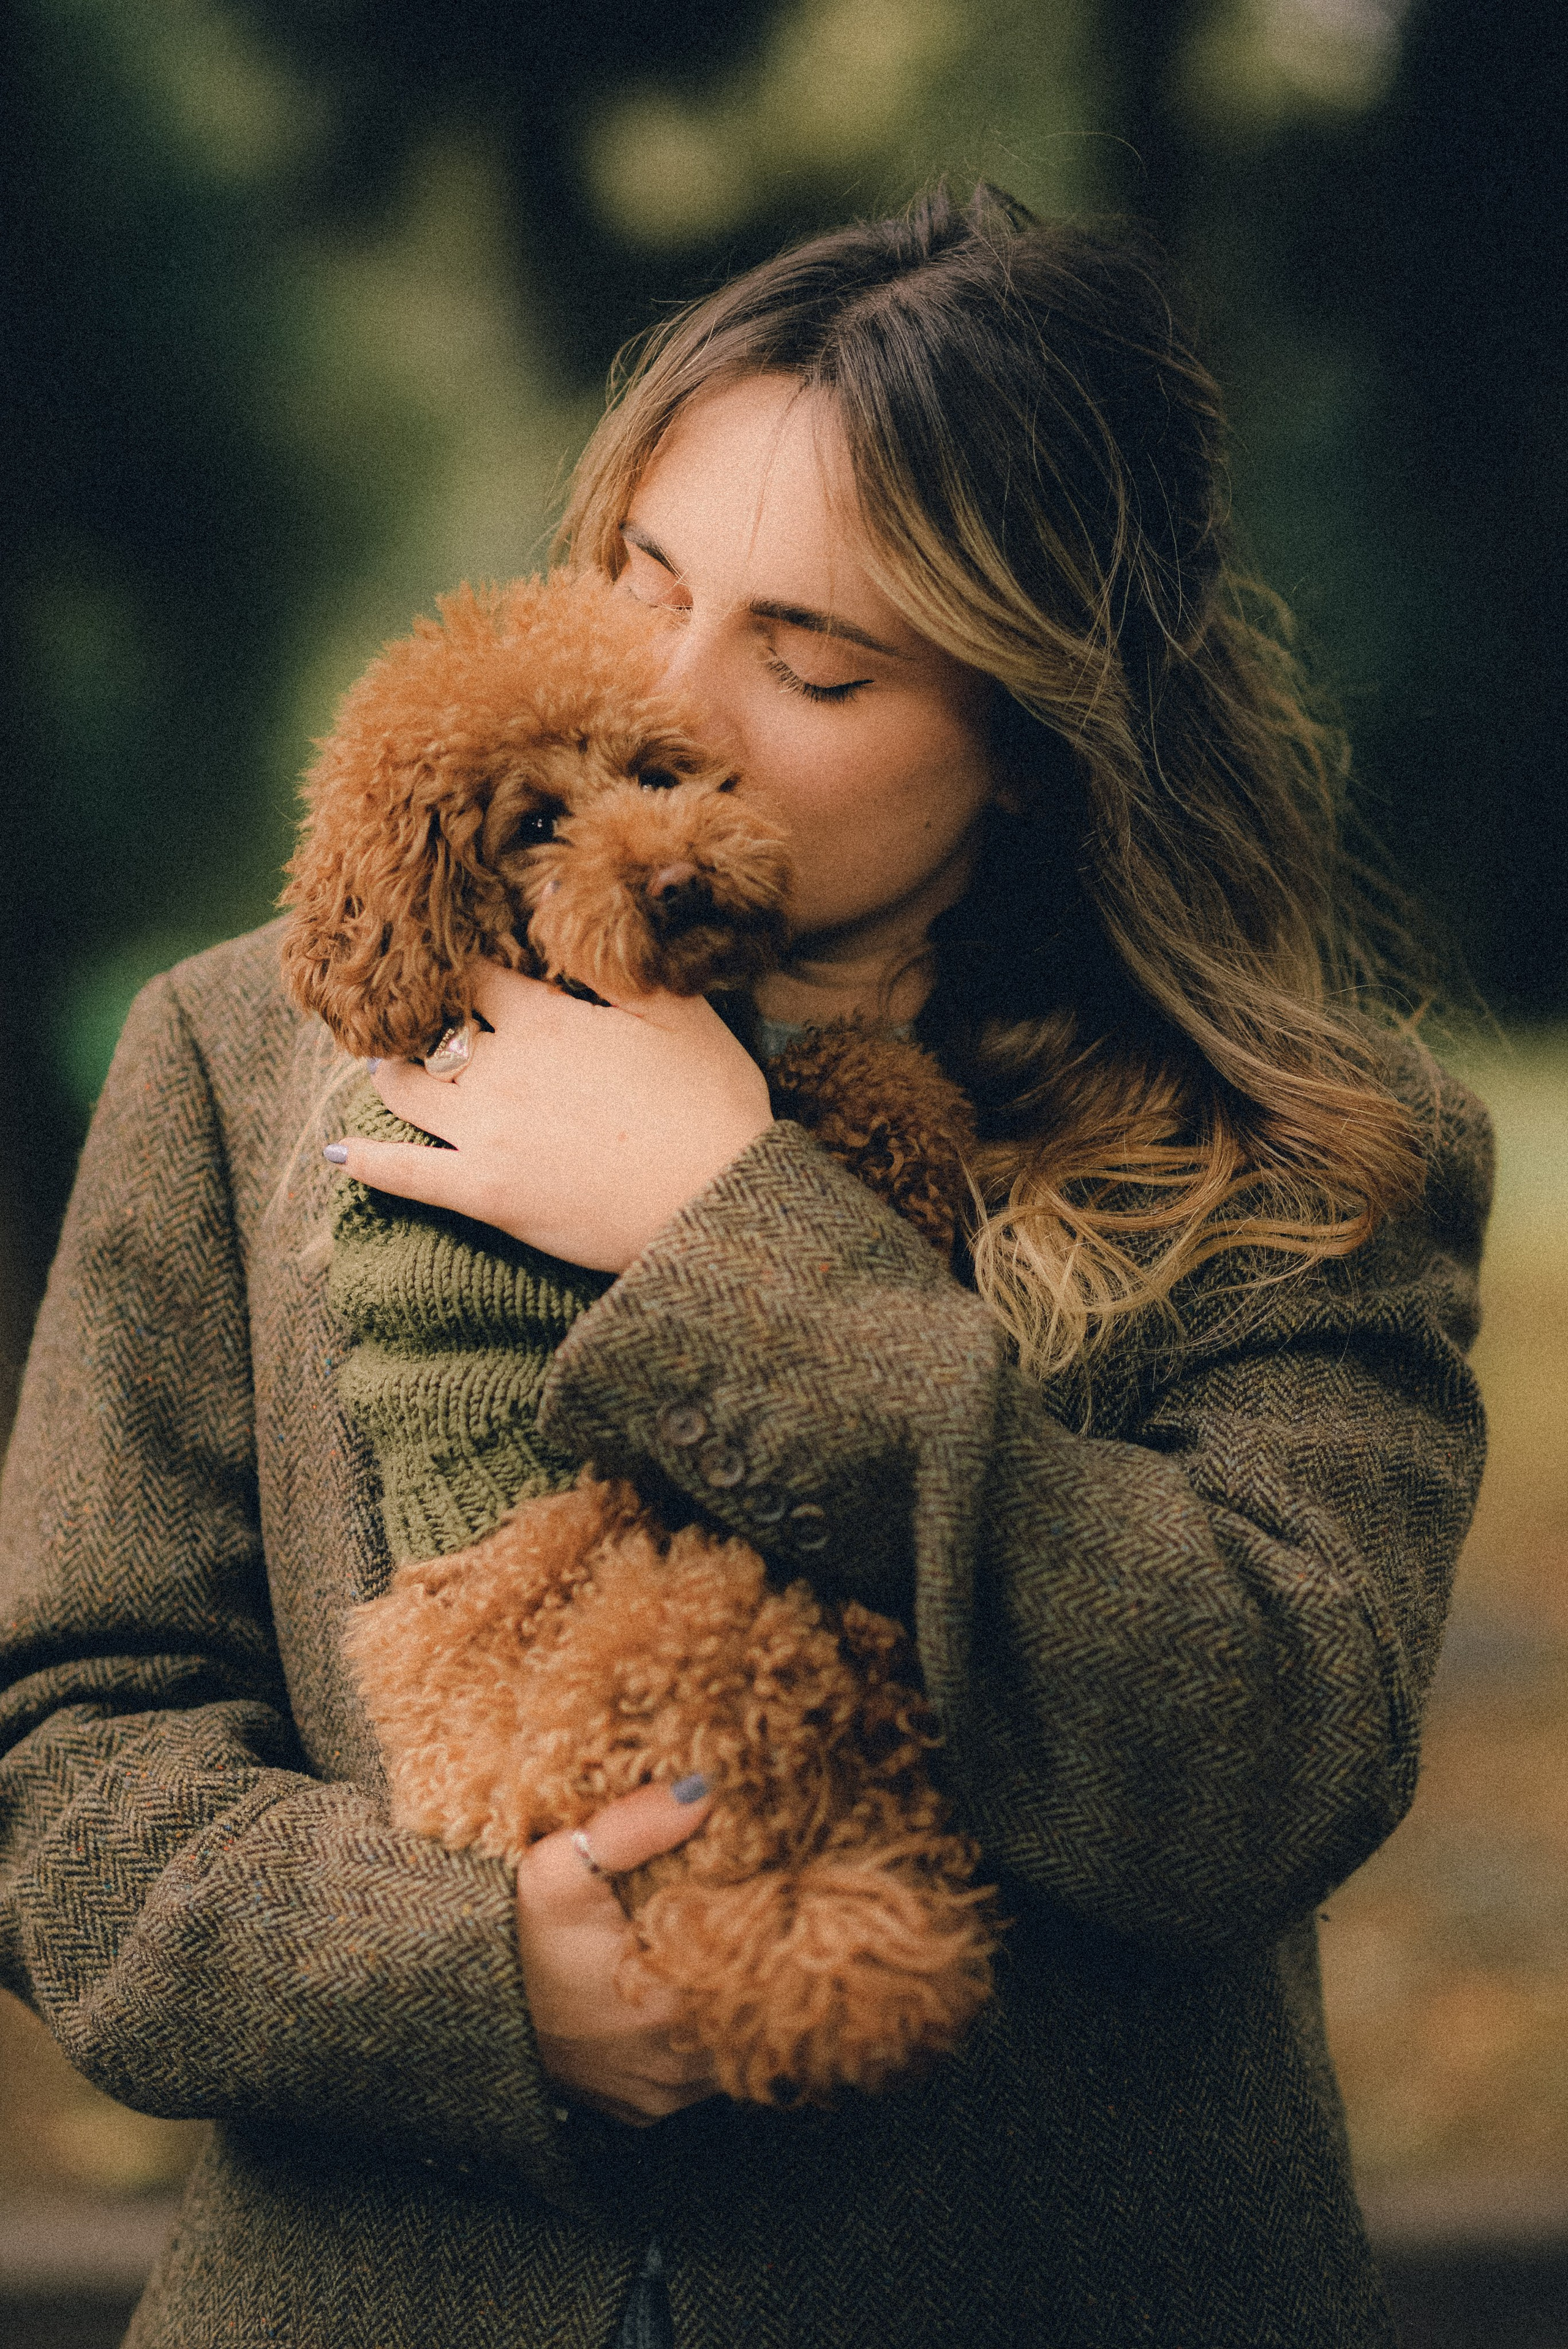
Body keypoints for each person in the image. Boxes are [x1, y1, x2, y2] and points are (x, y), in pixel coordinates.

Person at [0, 186, 1490, 2348]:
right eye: (642, 575)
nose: (672, 698)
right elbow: (67, 1758)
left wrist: (734, 1234)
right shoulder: (247, 1056)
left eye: (814, 662)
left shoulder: (1291, 1157)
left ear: (1034, 741)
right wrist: (471, 1977)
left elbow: (1260, 1765)